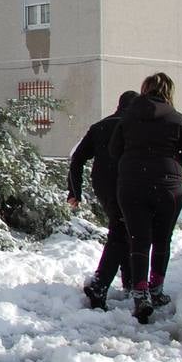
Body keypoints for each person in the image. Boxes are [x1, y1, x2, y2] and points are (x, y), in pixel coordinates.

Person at [109, 72, 182, 324]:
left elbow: (113, 150)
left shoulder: (128, 117)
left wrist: (135, 163)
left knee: (138, 239)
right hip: (168, 186)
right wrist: (171, 161)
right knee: (162, 239)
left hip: (132, 185)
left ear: (144, 90)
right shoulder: (176, 118)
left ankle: (140, 293)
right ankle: (156, 289)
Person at [69, 90, 139, 310]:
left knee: (124, 230)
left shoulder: (99, 127)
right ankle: (100, 285)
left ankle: (127, 281)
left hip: (104, 187)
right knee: (122, 232)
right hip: (128, 185)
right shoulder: (135, 127)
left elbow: (77, 158)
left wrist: (74, 191)